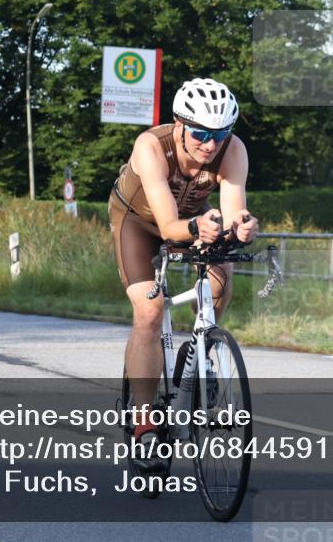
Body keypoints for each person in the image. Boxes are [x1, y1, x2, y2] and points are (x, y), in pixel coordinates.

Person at [108, 77, 258, 462]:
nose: (210, 144)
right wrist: (197, 227)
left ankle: (201, 349)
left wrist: (241, 228)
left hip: (192, 218)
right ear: (179, 125)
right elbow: (168, 226)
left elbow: (232, 213)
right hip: (139, 222)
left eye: (219, 134)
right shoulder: (151, 147)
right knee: (150, 310)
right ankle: (144, 421)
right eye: (200, 134)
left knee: (221, 278)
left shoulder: (233, 150)